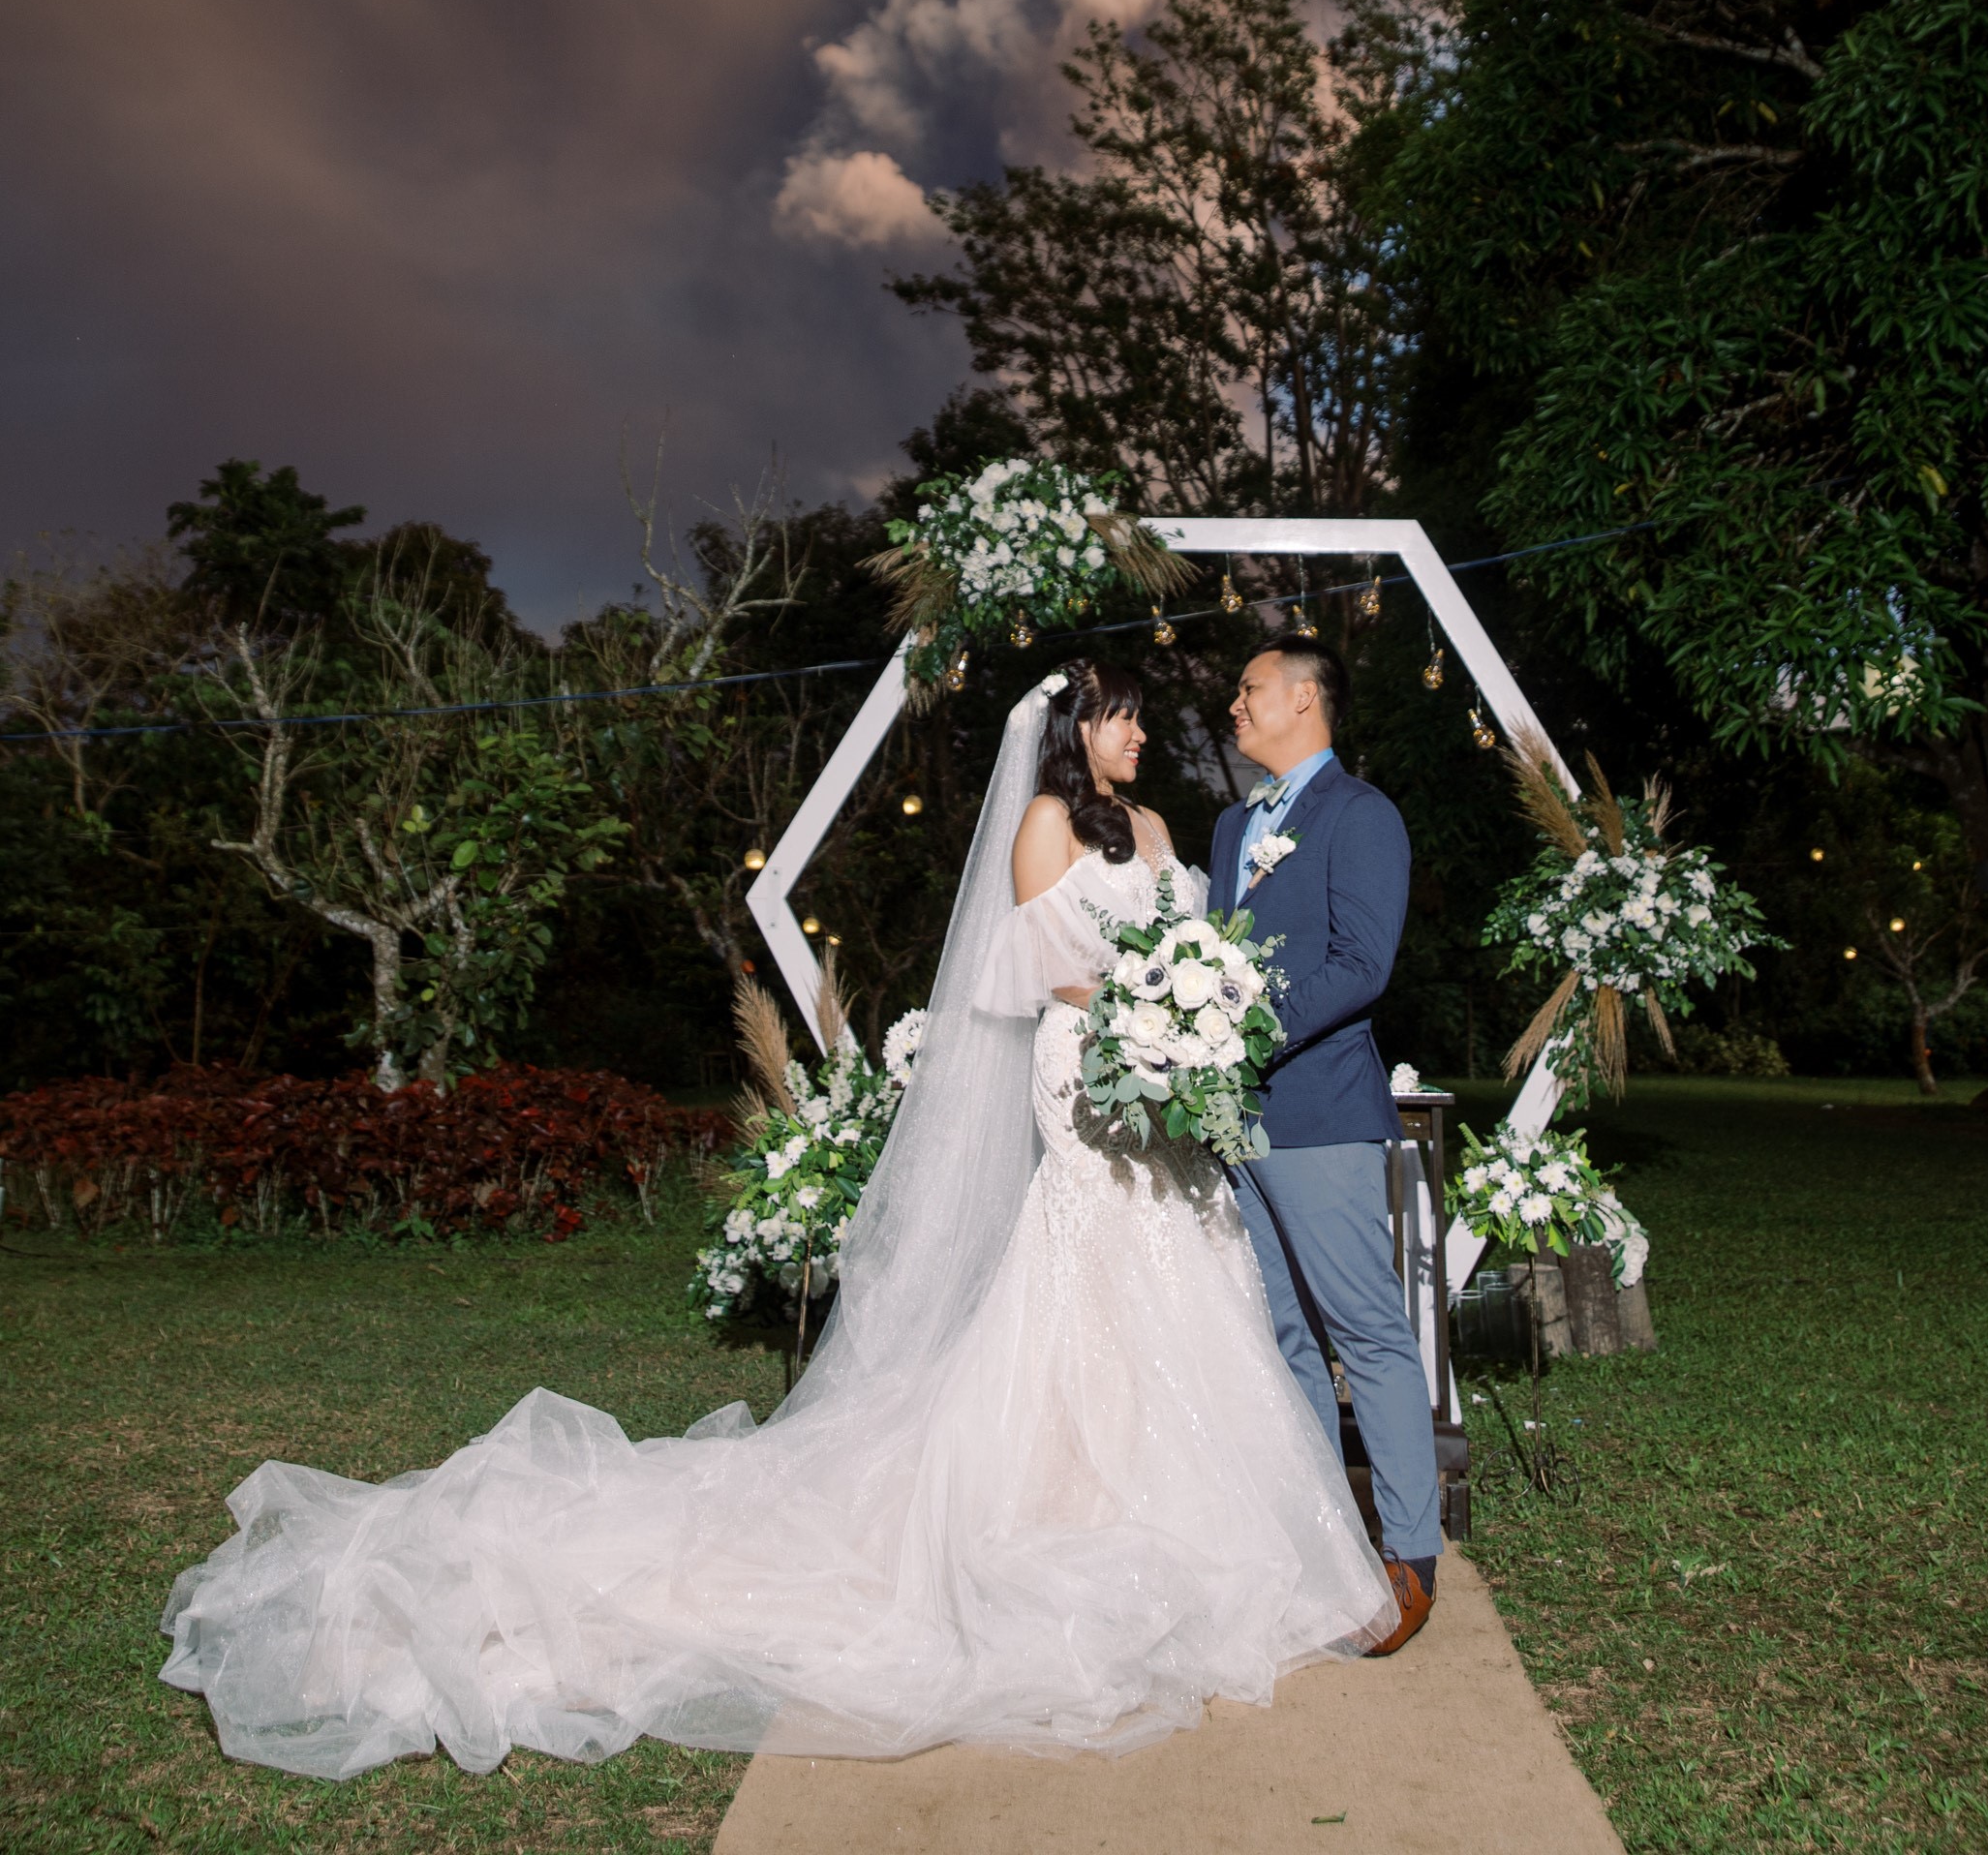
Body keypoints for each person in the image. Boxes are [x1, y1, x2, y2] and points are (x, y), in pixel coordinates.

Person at [159, 658, 1394, 1780]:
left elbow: (1192, 936)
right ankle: (1061, 1502)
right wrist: (1139, 1009)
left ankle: (1200, 1526)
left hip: (1165, 1088)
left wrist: (1187, 1015)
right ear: (1081, 729)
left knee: (1191, 1293)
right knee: (1089, 1287)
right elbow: (1024, 972)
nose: (1143, 732)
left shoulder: (1173, 826)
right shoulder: (1039, 824)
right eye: (1123, 716)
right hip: (1088, 1068)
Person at [1211, 639, 1441, 1655]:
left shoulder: (1363, 815)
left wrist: (1242, 1029)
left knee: (1368, 1335)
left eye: (1250, 690)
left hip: (1319, 1113)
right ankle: (1321, 1548)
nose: (1234, 705)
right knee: (1280, 1341)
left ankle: (1409, 1560)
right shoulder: (1230, 826)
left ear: (1306, 699)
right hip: (1232, 1124)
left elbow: (1362, 962)